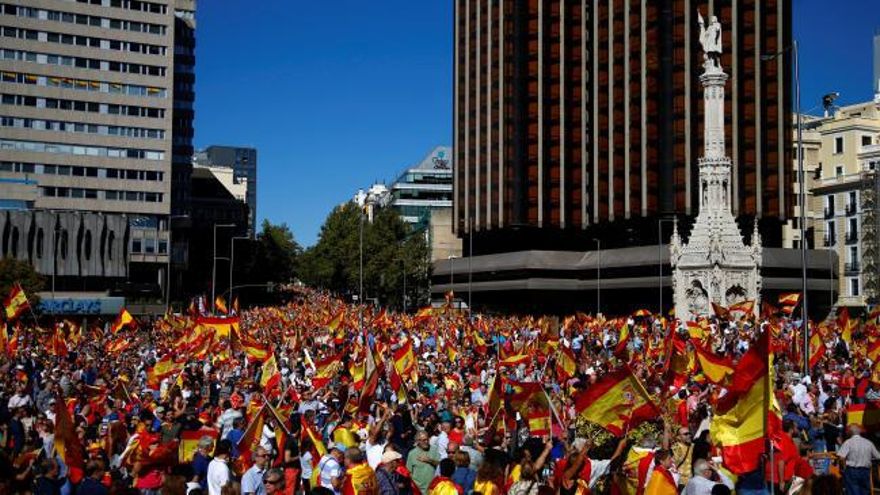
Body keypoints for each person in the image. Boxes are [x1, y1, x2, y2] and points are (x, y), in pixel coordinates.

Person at [837, 423, 880, 495]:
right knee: (865, 492)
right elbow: (878, 456)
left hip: (852, 471)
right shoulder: (868, 443)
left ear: (850, 432)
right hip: (865, 471)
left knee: (853, 492)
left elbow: (841, 457)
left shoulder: (848, 442)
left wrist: (843, 469)